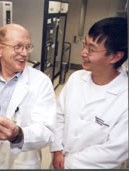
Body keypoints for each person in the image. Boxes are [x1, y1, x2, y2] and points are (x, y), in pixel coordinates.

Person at [0, 23, 56, 169]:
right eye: (18, 47)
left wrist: (17, 134)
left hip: (20, 160)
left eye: (27, 47)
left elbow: (47, 132)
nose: (24, 53)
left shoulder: (41, 82)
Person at [51, 17, 128, 169]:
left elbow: (114, 151)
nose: (83, 53)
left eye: (91, 49)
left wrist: (69, 163)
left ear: (115, 56)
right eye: (85, 45)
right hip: (59, 160)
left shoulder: (125, 98)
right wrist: (57, 149)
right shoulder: (76, 78)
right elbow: (59, 115)